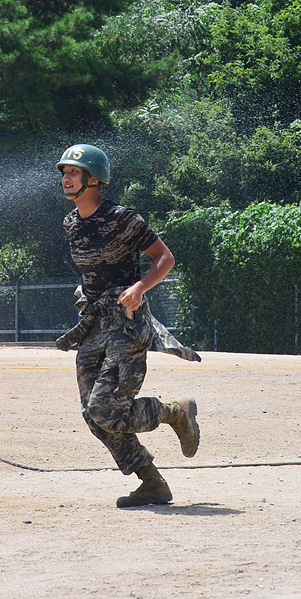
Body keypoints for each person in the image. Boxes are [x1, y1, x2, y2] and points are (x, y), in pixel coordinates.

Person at [54, 143, 202, 508]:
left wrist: (139, 288)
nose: (66, 178)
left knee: (106, 408)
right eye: (64, 172)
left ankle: (174, 411)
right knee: (94, 415)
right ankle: (151, 482)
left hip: (125, 323)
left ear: (92, 178)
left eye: (73, 172)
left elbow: (164, 257)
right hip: (93, 325)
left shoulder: (123, 218)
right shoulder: (71, 222)